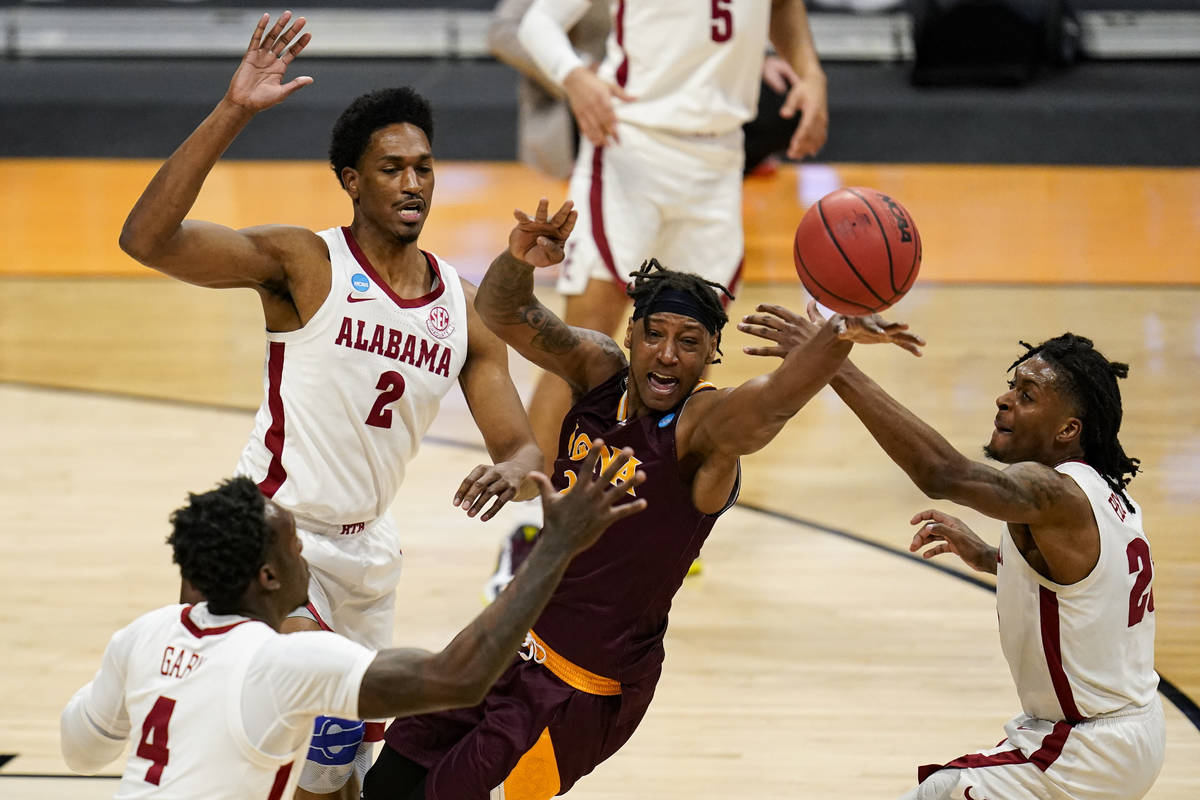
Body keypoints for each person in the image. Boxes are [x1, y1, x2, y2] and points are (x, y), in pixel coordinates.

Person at [116, 13, 545, 797]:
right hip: (271, 540)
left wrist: (514, 472)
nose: (413, 182)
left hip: (366, 559)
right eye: (391, 168)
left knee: (333, 781)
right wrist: (234, 111)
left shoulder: (463, 305)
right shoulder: (305, 264)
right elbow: (146, 239)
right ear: (352, 180)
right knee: (241, 760)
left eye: (423, 166)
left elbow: (517, 443)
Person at [361, 206, 923, 799]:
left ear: (710, 357)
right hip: (502, 642)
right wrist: (517, 260)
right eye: (654, 333)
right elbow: (502, 311)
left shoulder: (701, 431)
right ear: (631, 335)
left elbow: (772, 403)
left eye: (689, 343)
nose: (667, 353)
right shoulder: (598, 370)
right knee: (388, 783)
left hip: (580, 692)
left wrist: (836, 334)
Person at [740, 304, 1164, 800]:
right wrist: (990, 556)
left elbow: (944, 473)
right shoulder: (1109, 497)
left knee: (941, 790)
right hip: (1125, 735)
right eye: (1012, 386)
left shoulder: (1054, 493)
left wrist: (835, 364)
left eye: (1026, 395)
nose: (1004, 400)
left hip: (1087, 749)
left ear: (1067, 430)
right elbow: (1086, 593)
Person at [60, 455, 646, 799]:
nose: (307, 558)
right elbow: (459, 678)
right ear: (267, 576)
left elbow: (79, 748)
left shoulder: (142, 636)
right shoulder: (287, 660)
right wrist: (556, 549)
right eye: (296, 547)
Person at [510, 0, 831, 493]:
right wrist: (574, 76)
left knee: (690, 352)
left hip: (720, 157)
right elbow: (537, 21)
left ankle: (658, 522)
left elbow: (782, 7)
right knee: (579, 347)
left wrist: (810, 72)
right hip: (629, 143)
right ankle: (529, 525)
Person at [487, 0, 804, 180]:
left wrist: (754, 56)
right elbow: (503, 32)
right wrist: (578, 71)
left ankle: (711, 172)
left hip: (673, 85)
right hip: (593, 94)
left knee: (785, 97)